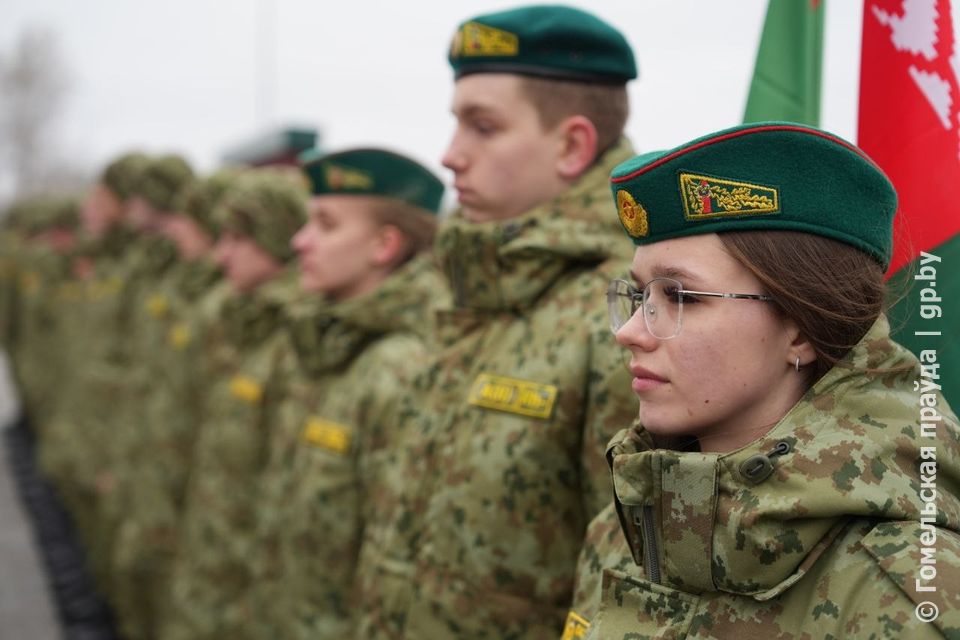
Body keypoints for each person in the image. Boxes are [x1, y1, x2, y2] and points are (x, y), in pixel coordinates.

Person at [565, 121, 960, 639]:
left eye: (681, 297)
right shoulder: (627, 534)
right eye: (640, 297)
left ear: (799, 329)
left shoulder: (903, 593)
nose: (631, 332)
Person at [353, 5, 642, 638]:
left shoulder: (624, 314)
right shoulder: (461, 291)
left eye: (483, 127)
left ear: (572, 146)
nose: (450, 155)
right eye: (456, 123)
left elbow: (627, 586)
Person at [242, 148, 445, 639]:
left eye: (325, 225)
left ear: (384, 245)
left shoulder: (400, 368)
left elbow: (392, 572)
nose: (300, 241)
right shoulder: (323, 347)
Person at [160, 167, 306, 640]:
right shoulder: (238, 316)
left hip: (248, 586)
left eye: (238, 239)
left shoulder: (298, 338)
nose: (221, 254)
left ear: (277, 239)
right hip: (211, 557)